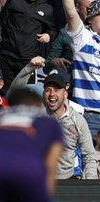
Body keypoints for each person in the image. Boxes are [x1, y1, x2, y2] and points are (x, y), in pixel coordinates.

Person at [42, 68, 98, 179]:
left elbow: (89, 156)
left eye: (57, 89)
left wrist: (90, 186)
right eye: (48, 90)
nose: (52, 94)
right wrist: (28, 68)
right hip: (40, 182)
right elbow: (15, 92)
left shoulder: (78, 120)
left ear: (65, 94)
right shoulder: (36, 117)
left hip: (68, 182)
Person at [0, 0, 57, 91]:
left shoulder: (47, 8)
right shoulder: (14, 1)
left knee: (25, 94)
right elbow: (1, 24)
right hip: (7, 56)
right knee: (4, 91)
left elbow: (53, 30)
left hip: (28, 61)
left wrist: (48, 36)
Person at [64, 0, 100, 145]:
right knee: (85, 164)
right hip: (87, 116)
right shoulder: (83, 38)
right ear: (91, 19)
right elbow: (71, 12)